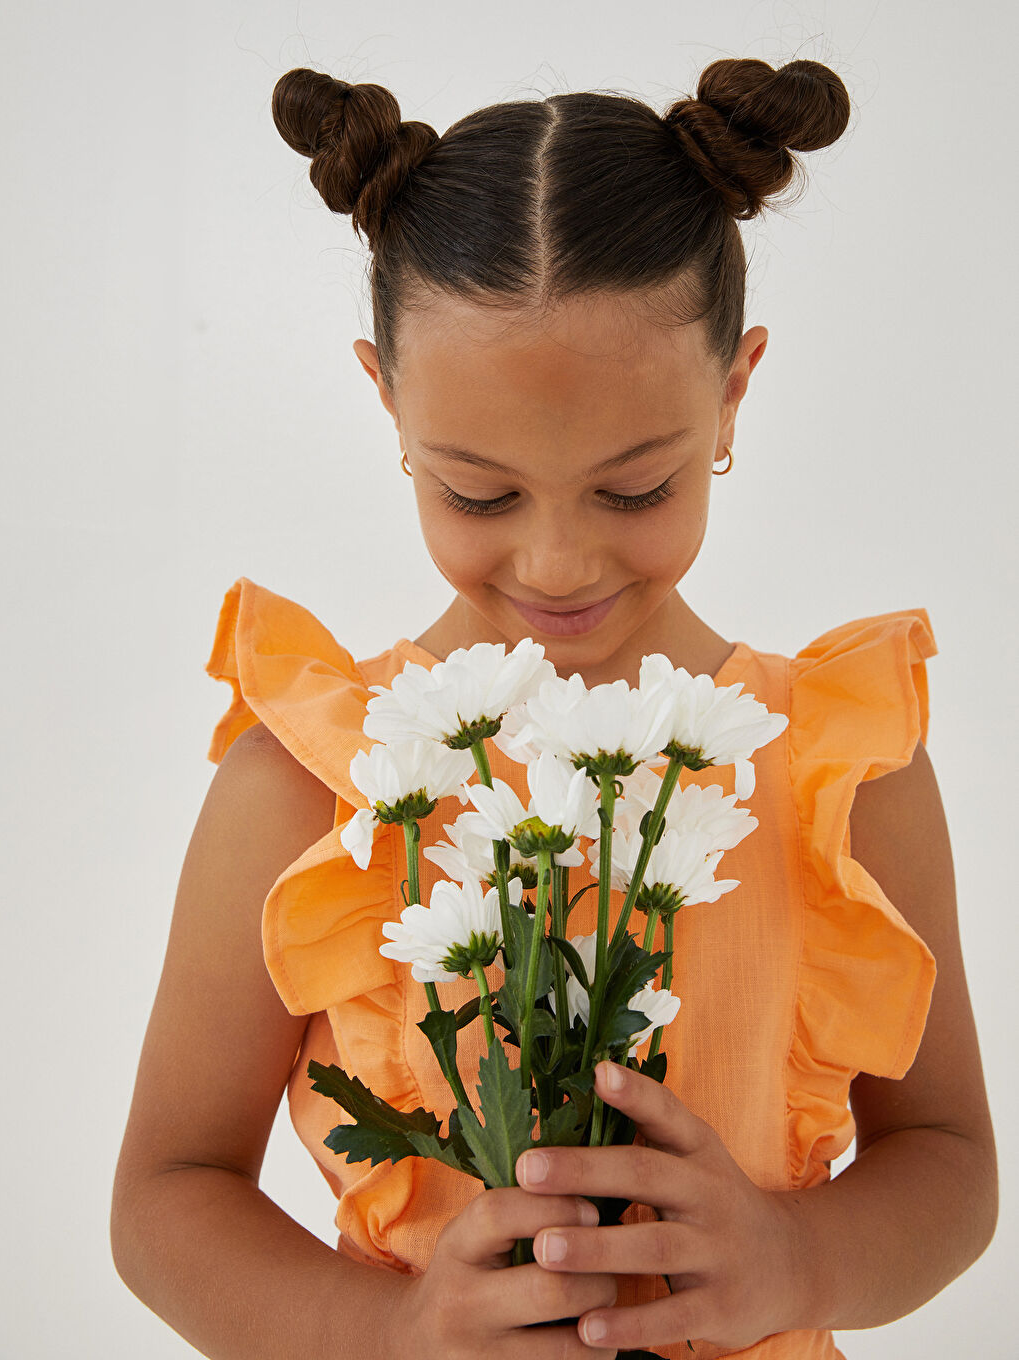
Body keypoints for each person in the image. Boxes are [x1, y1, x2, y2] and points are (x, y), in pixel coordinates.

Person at [110, 58, 998, 1360]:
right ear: (388, 399)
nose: (559, 564)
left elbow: (951, 1161)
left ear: (733, 392)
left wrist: (799, 1258)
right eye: (479, 495)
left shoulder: (840, 768)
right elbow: (165, 1198)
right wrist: (395, 1333)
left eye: (637, 490)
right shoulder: (308, 780)